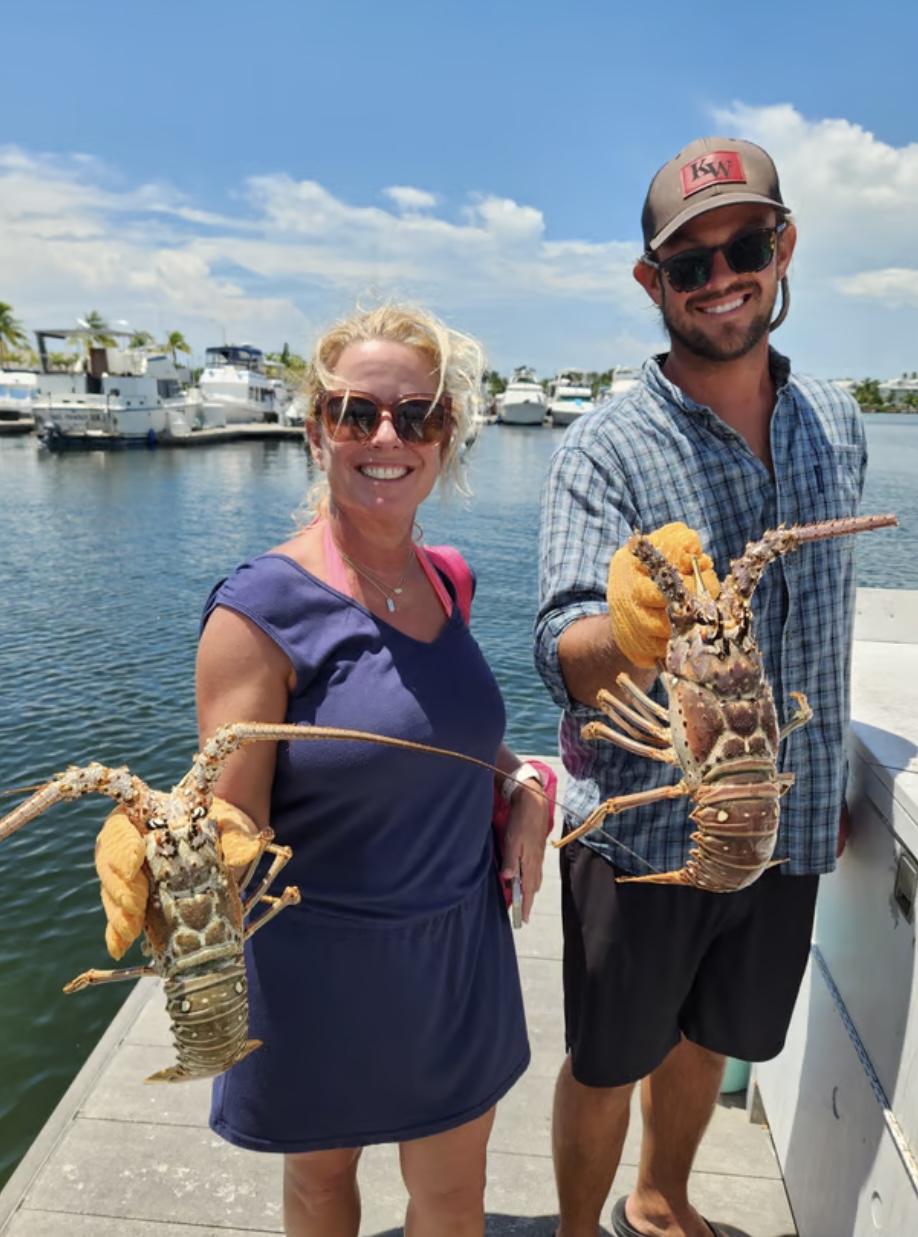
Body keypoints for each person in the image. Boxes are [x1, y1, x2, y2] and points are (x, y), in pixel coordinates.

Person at [96, 302, 551, 1237]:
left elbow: (443, 731)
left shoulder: (449, 578)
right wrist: (167, 852)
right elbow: (235, 832)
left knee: (453, 1200)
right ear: (316, 432)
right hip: (320, 965)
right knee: (318, 1189)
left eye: (416, 415)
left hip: (459, 952)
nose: (387, 437)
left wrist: (519, 786)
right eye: (355, 413)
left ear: (446, 436)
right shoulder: (260, 611)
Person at [534, 137, 867, 1237]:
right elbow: (562, 645)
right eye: (690, 263)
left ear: (784, 247)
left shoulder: (840, 419)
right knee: (607, 1055)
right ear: (652, 283)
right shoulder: (604, 448)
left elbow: (825, 620)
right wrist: (634, 622)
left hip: (791, 821)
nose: (723, 275)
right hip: (647, 838)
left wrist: (828, 774)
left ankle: (660, 1198)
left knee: (713, 1035)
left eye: (748, 244)